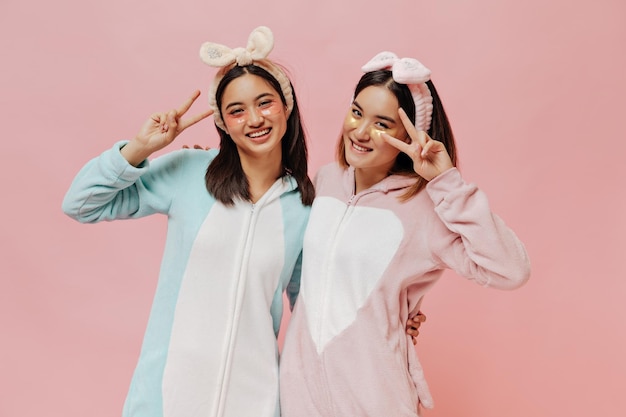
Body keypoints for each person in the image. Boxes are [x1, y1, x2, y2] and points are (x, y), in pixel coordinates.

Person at [62, 26, 315, 417]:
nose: (254, 119)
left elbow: (313, 311)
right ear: (223, 123)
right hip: (166, 400)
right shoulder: (190, 172)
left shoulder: (304, 204)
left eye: (265, 103)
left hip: (256, 404)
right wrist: (140, 148)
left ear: (286, 106)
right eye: (237, 110)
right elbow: (81, 203)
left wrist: (396, 316)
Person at [278, 51, 531, 417]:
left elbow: (511, 269)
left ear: (410, 133)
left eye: (382, 124)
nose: (361, 132)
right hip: (300, 396)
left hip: (376, 400)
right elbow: (306, 273)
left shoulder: (425, 207)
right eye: (357, 112)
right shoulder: (326, 181)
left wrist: (448, 184)